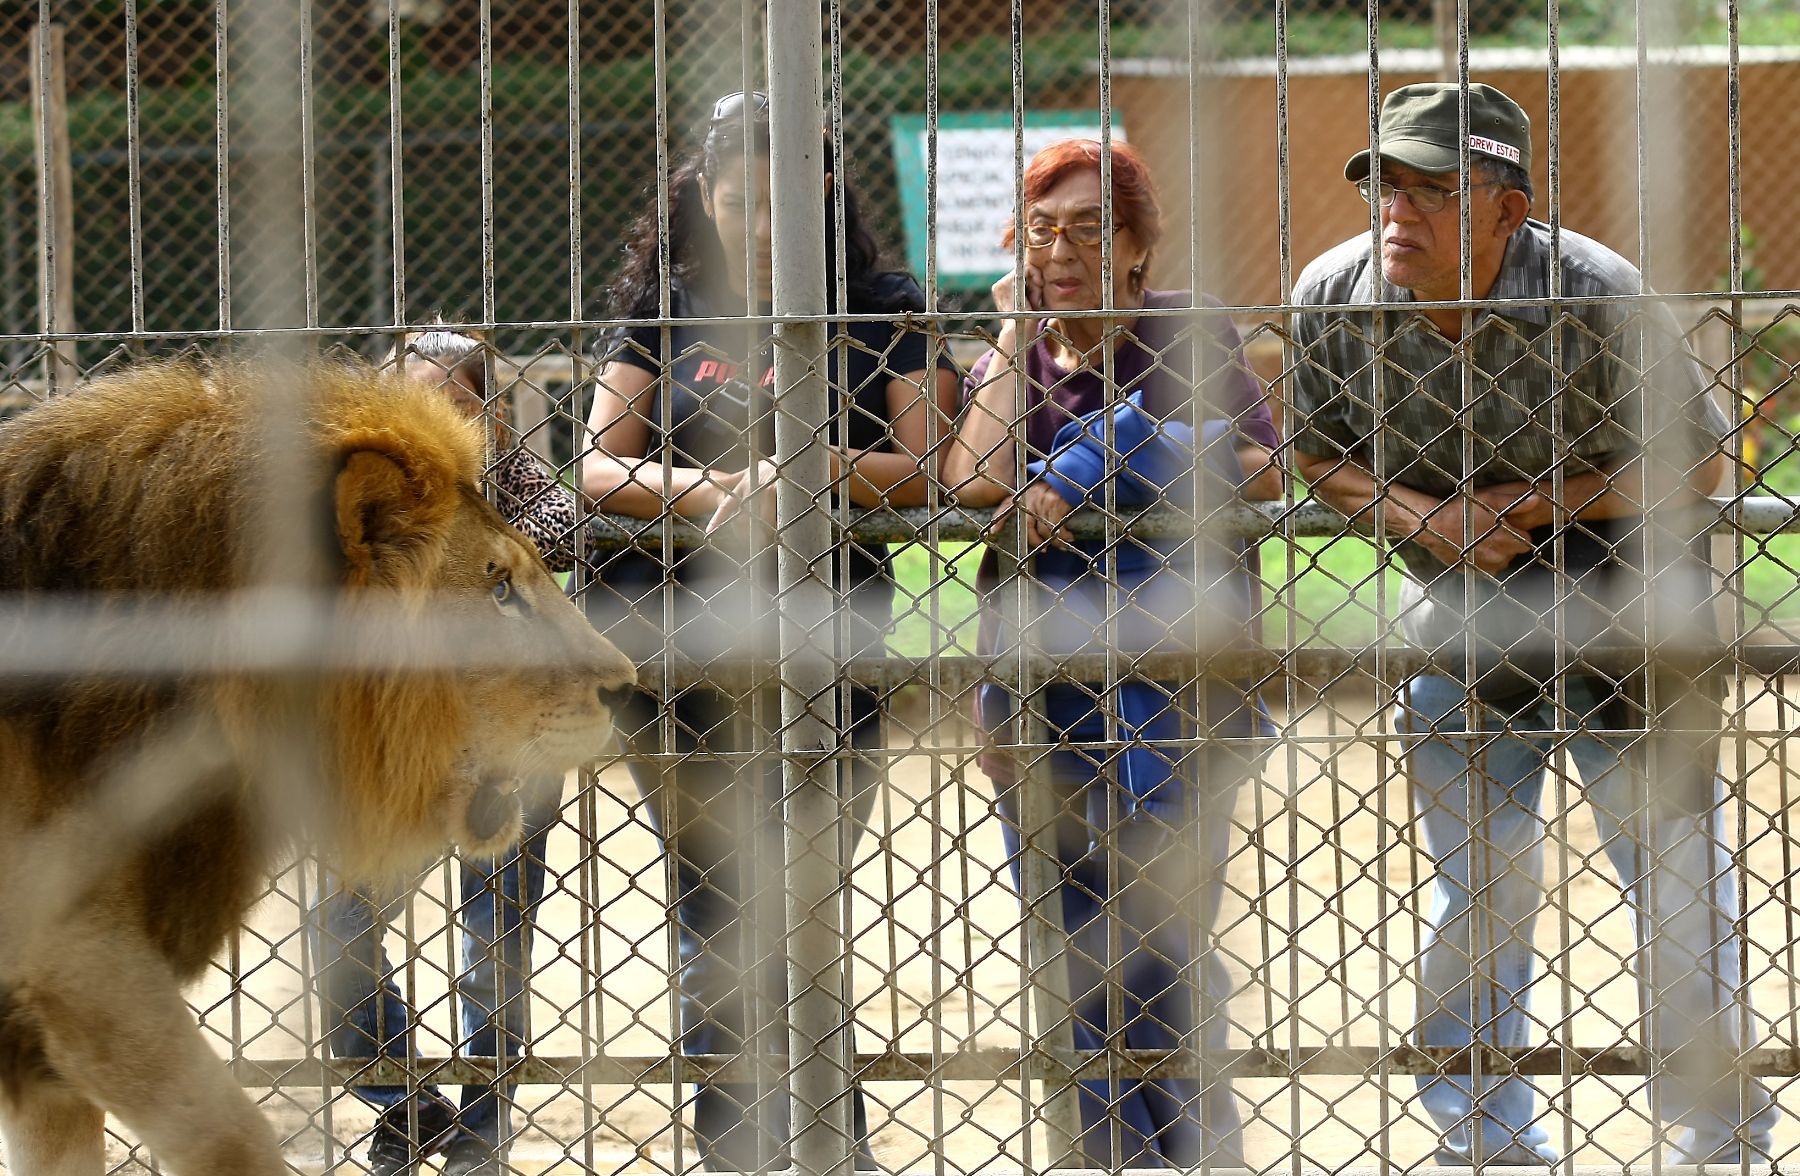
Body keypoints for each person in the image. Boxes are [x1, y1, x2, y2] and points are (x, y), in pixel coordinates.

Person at [1288, 81, 1778, 1165]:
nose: (1397, 215)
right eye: (1388, 189)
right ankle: (1480, 1134)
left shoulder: (1594, 290)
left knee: (1675, 870)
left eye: (1432, 191)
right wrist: (1422, 515)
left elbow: (1705, 458)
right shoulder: (1335, 292)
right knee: (1481, 883)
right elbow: (1315, 454)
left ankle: (1719, 1127)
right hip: (1461, 605)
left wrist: (1523, 506)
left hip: (1629, 595)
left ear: (1508, 208)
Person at [579, 91, 960, 1171]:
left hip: (828, 639)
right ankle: (739, 1148)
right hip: (679, 645)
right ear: (705, 193)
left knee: (803, 905)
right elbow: (599, 465)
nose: (757, 226)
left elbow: (928, 466)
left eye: (781, 201)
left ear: (826, 191)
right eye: (740, 201)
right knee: (713, 907)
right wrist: (712, 490)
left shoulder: (883, 303)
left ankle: (830, 1144)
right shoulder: (668, 304)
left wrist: (823, 473)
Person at [942, 138, 1280, 1169]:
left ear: (1136, 246)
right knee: (1066, 951)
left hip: (1180, 690)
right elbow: (971, 485)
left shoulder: (1184, 328)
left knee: (1165, 948)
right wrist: (1012, 328)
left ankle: (1194, 1151)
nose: (1063, 249)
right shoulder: (1017, 353)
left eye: (1090, 228)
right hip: (1043, 694)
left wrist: (1113, 452)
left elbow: (1264, 470)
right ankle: (1110, 1158)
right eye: (1043, 228)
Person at [314, 327, 581, 1176]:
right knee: (338, 933)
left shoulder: (515, 485)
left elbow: (563, 533)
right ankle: (408, 1107)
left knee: (495, 938)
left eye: (450, 399)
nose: (425, 419)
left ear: (489, 413)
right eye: (406, 400)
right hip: (399, 743)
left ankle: (483, 1125)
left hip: (509, 743)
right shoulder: (363, 492)